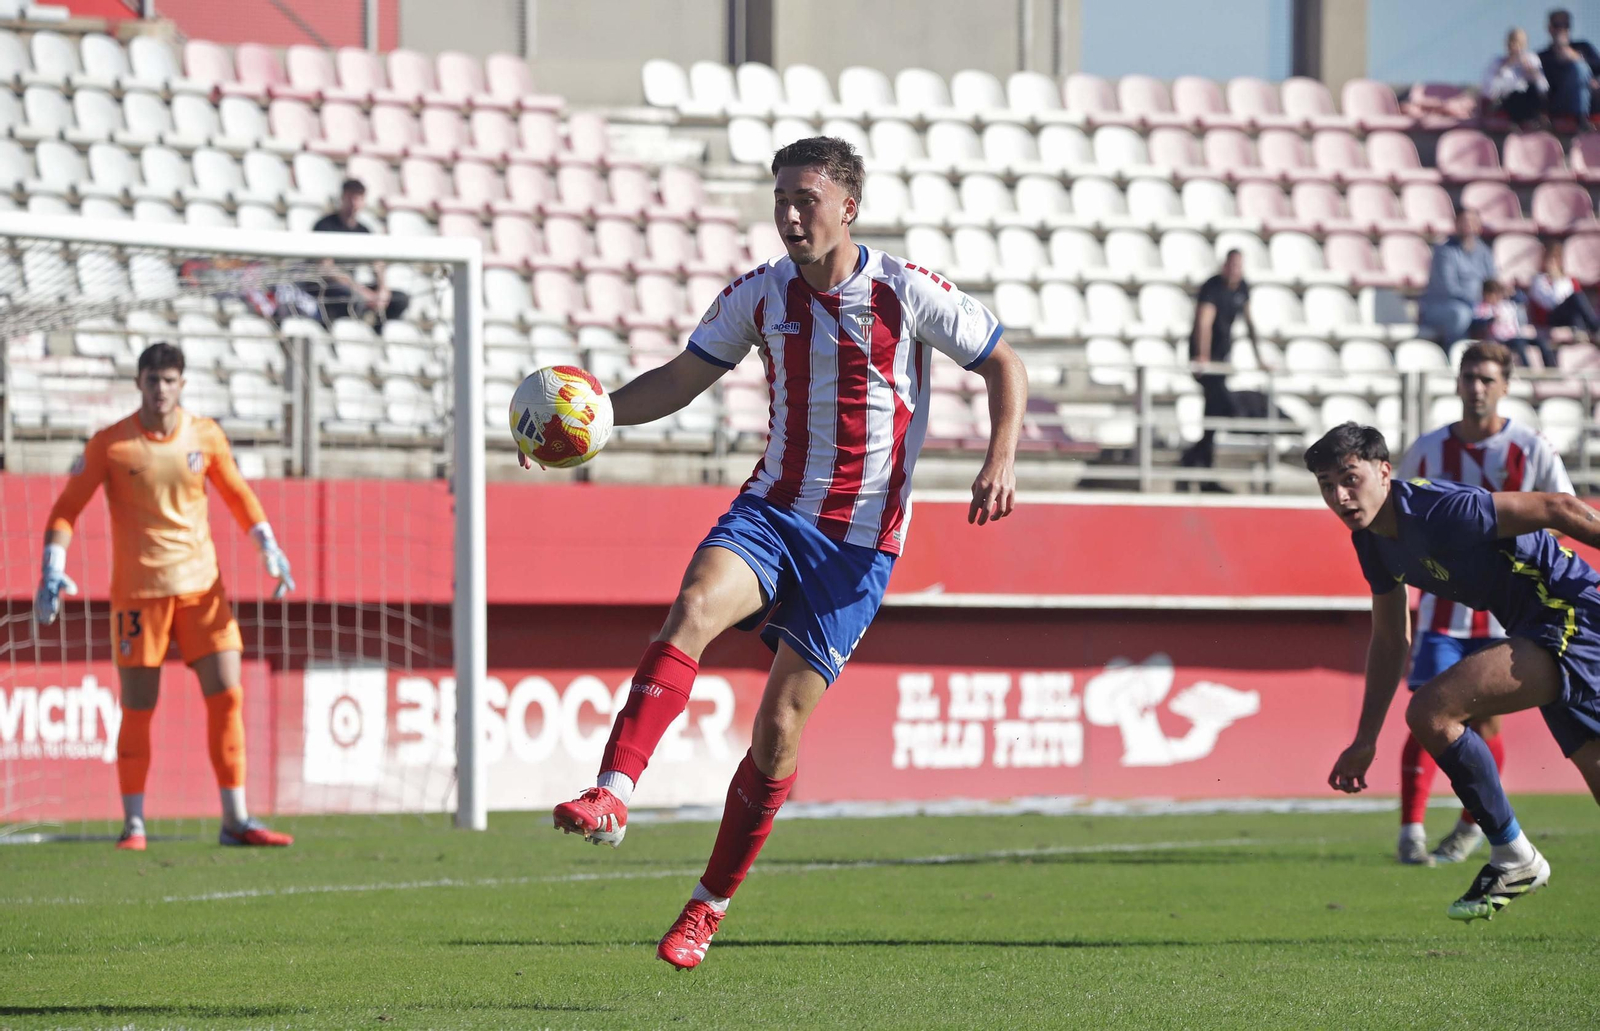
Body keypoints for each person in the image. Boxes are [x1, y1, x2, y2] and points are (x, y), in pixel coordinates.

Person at [530, 136, 1027, 969]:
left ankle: (708, 903)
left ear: (848, 207)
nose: (790, 215)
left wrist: (999, 458)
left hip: (858, 546)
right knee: (694, 606)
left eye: (806, 199)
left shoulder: (906, 291)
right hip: (771, 511)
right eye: (781, 200)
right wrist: (590, 419)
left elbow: (1003, 363)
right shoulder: (761, 294)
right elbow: (681, 377)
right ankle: (612, 792)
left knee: (779, 726)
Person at [1312, 420, 1600, 921]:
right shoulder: (1372, 543)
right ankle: (1513, 855)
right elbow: (1390, 640)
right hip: (1539, 628)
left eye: (1350, 478)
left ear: (1384, 472)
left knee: (1432, 710)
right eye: (1326, 485)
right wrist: (1365, 739)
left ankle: (1513, 855)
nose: (1340, 496)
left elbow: (1559, 508)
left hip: (1571, 616)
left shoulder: (1437, 509)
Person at [35, 343, 297, 851]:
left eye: (170, 379)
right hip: (140, 595)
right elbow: (66, 508)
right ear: (139, 383)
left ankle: (235, 819)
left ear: (183, 384)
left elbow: (237, 493)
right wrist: (53, 565)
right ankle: (133, 824)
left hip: (202, 589)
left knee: (228, 694)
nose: (161, 389)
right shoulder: (112, 444)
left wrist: (266, 543)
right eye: (153, 379)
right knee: (139, 708)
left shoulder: (206, 435)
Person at [1392, 342, 1574, 866]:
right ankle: (1410, 832)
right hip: (1442, 613)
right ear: (1457, 383)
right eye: (1469, 377)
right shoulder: (1429, 449)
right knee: (1424, 712)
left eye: (1487, 379)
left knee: (1484, 725)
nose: (1476, 388)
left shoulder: (1530, 447)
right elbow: (1397, 514)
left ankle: (1472, 827)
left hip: (1505, 616)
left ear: (1505, 386)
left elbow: (1563, 513)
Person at [1180, 250, 1255, 483]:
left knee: (1213, 412)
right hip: (1207, 358)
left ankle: (1198, 461)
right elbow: (1204, 323)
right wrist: (1202, 355)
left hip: (1222, 358)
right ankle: (1199, 463)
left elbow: (1250, 324)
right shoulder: (1213, 287)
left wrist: (1260, 357)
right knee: (1224, 407)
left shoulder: (1242, 288)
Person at [310, 179, 409, 327]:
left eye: (358, 198)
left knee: (399, 300)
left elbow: (377, 262)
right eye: (350, 198)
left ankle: (378, 330)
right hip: (328, 287)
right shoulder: (325, 226)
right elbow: (327, 269)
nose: (354, 203)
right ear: (342, 198)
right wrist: (362, 292)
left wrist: (383, 290)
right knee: (354, 299)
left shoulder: (364, 231)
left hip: (354, 287)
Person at [1418, 209, 1496, 347]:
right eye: (1464, 221)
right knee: (1461, 314)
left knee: (1507, 312)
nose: (1469, 225)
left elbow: (1492, 282)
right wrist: (1477, 303)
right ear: (1456, 224)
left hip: (1477, 304)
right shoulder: (1444, 251)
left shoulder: (1484, 251)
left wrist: (1494, 298)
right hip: (1444, 306)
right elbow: (1449, 288)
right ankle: (1456, 352)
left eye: (1473, 221)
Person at [1528, 240, 1600, 348]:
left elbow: (1579, 305)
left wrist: (1560, 279)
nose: (1553, 263)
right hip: (1550, 318)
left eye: (1556, 259)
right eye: (1551, 259)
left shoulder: (1569, 280)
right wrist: (1555, 279)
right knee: (1575, 297)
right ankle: (1596, 329)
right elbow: (1550, 302)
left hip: (1569, 317)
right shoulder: (1538, 280)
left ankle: (1584, 332)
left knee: (1576, 303)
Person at [1470, 278, 1556, 368]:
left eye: (1498, 294)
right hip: (1499, 340)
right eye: (1492, 294)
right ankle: (1527, 368)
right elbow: (1477, 324)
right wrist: (1491, 319)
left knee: (1541, 342)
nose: (1496, 297)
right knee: (1519, 344)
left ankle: (1551, 367)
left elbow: (1521, 299)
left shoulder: (1506, 306)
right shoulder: (1481, 308)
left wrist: (1511, 292)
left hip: (1515, 336)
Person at [1539, 8, 1600, 123]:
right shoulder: (1543, 56)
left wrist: (1576, 57)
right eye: (1557, 25)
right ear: (1550, 28)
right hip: (1559, 103)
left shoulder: (1583, 47)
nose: (1561, 30)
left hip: (1588, 99)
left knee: (1581, 69)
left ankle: (1583, 119)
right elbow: (1545, 86)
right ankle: (1581, 120)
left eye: (1565, 25)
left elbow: (1597, 67)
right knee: (1579, 68)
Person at [1482, 27, 1549, 128]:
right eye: (1512, 42)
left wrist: (1533, 74)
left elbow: (1544, 88)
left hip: (1529, 101)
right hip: (1508, 101)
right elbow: (1488, 92)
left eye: (1519, 43)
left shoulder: (1532, 60)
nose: (1515, 47)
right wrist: (1505, 67)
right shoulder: (1497, 63)